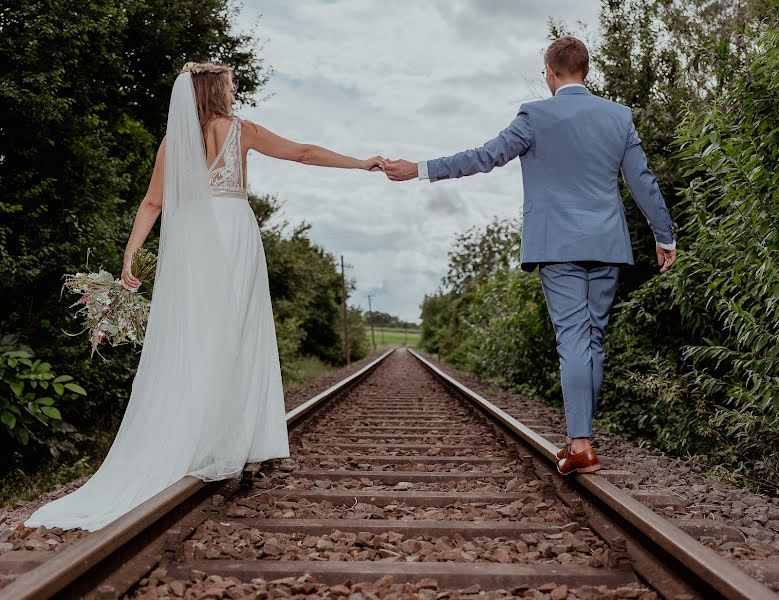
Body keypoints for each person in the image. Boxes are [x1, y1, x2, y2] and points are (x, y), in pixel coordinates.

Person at [24, 62, 385, 531]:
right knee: (236, 338)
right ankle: (228, 440)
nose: (235, 93)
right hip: (234, 237)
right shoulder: (241, 131)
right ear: (218, 91)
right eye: (231, 86)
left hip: (192, 243)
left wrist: (129, 257)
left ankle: (198, 438)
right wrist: (363, 162)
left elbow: (152, 204)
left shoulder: (173, 145)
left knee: (195, 338)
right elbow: (304, 153)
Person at [383, 37, 677, 476]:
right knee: (592, 338)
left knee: (574, 339)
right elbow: (643, 181)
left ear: (550, 71)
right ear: (586, 71)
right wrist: (664, 235)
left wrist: (420, 169)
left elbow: (484, 157)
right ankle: (583, 437)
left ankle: (580, 444)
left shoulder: (535, 115)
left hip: (556, 245)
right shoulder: (619, 117)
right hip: (605, 244)